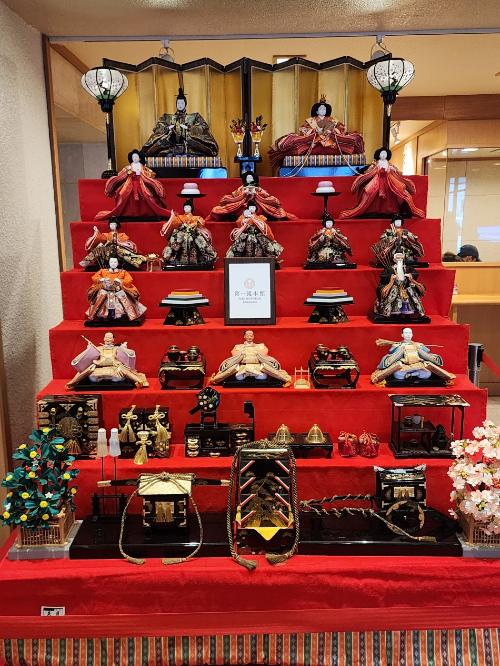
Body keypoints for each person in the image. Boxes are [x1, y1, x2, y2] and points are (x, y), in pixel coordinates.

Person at [268, 94, 365, 169]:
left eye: (324, 109)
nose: (323, 110)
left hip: (331, 143)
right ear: (317, 111)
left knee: (350, 139)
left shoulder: (333, 120)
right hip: (315, 143)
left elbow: (341, 129)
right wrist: (314, 131)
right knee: (300, 142)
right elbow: (304, 130)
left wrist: (332, 131)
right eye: (321, 109)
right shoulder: (310, 121)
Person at [339, 148, 425, 219]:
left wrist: (393, 169)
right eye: (382, 153)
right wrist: (373, 169)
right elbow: (369, 171)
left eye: (385, 154)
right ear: (378, 155)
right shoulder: (375, 163)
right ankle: (372, 210)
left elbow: (398, 172)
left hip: (388, 181)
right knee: (370, 192)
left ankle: (390, 210)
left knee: (394, 191)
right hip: (377, 180)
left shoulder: (389, 164)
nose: (383, 155)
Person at [141, 88, 218, 157]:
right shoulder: (167, 117)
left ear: (186, 105)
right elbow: (157, 128)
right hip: (170, 149)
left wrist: (189, 128)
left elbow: (204, 126)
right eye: (178, 103)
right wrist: (168, 128)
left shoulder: (194, 117)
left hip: (190, 149)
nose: (180, 105)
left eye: (182, 103)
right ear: (176, 105)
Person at [94, 150, 168, 221]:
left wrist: (142, 174)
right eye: (133, 157)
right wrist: (127, 172)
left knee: (147, 195)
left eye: (136, 157)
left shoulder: (143, 167)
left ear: (139, 158)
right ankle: (128, 213)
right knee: (123, 195)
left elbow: (151, 174)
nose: (135, 158)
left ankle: (147, 213)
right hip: (130, 184)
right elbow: (121, 174)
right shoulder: (128, 167)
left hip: (142, 184)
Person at [371, 327, 455, 384]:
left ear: (412, 334)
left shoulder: (419, 344)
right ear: (402, 335)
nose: (408, 334)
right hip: (404, 366)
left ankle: (412, 374)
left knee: (427, 374)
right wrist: (401, 349)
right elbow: (392, 356)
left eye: (410, 333)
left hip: (418, 365)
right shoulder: (397, 345)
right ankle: (412, 374)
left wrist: (420, 349)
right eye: (406, 333)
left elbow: (427, 355)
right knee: (397, 374)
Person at [66, 332, 149, 389]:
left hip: (114, 367)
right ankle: (73, 382)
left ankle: (140, 382)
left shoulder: (116, 348)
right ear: (103, 338)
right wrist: (89, 349)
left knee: (123, 373)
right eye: (106, 337)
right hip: (100, 367)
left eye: (109, 337)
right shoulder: (98, 348)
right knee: (88, 373)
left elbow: (123, 355)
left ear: (113, 339)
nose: (107, 339)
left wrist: (123, 348)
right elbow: (91, 355)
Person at [210, 330, 291, 386]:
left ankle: (285, 379)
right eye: (248, 335)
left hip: (257, 366)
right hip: (243, 367)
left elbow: (264, 354)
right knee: (239, 378)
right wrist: (241, 355)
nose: (249, 337)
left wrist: (257, 354)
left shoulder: (260, 346)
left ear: (253, 337)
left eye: (251, 335)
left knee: (262, 377)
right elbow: (234, 355)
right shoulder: (238, 347)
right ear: (244, 336)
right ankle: (215, 380)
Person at [207, 171, 297, 221]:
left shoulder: (258, 188)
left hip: (256, 204)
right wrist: (244, 193)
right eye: (248, 178)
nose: (249, 180)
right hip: (244, 204)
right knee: (236, 209)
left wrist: (256, 194)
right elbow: (234, 195)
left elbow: (266, 195)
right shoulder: (242, 187)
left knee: (265, 209)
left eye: (251, 178)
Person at [86, 254, 147, 323]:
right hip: (105, 291)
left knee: (122, 297)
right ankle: (101, 314)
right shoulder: (103, 271)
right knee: (101, 296)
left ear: (118, 263)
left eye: (115, 262)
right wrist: (101, 279)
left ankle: (119, 314)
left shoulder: (123, 272)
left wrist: (121, 281)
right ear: (109, 263)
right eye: (111, 262)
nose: (113, 264)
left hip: (118, 291)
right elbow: (94, 277)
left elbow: (129, 280)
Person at [160, 199, 217, 267]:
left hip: (193, 234)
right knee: (176, 237)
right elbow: (177, 225)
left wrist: (194, 225)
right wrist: (182, 225)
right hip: (183, 234)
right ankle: (170, 257)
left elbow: (202, 223)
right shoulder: (180, 217)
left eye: (188, 207)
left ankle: (207, 257)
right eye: (185, 207)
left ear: (191, 208)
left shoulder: (197, 218)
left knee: (199, 240)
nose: (186, 208)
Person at [374, 252, 426, 318]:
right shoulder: (389, 269)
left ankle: (417, 311)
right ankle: (390, 311)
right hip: (394, 287)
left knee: (411, 291)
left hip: (405, 287)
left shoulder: (407, 268)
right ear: (394, 260)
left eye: (401, 258)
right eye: (398, 258)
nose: (400, 259)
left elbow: (415, 273)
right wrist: (392, 277)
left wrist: (410, 275)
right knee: (394, 292)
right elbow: (383, 276)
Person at [80, 219, 146, 269]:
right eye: (111, 224)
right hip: (107, 250)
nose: (112, 226)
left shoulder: (122, 235)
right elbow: (100, 239)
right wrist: (96, 231)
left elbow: (128, 243)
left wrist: (118, 242)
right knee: (100, 247)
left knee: (120, 251)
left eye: (114, 224)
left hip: (118, 250)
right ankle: (86, 262)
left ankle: (138, 261)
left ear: (117, 225)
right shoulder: (106, 234)